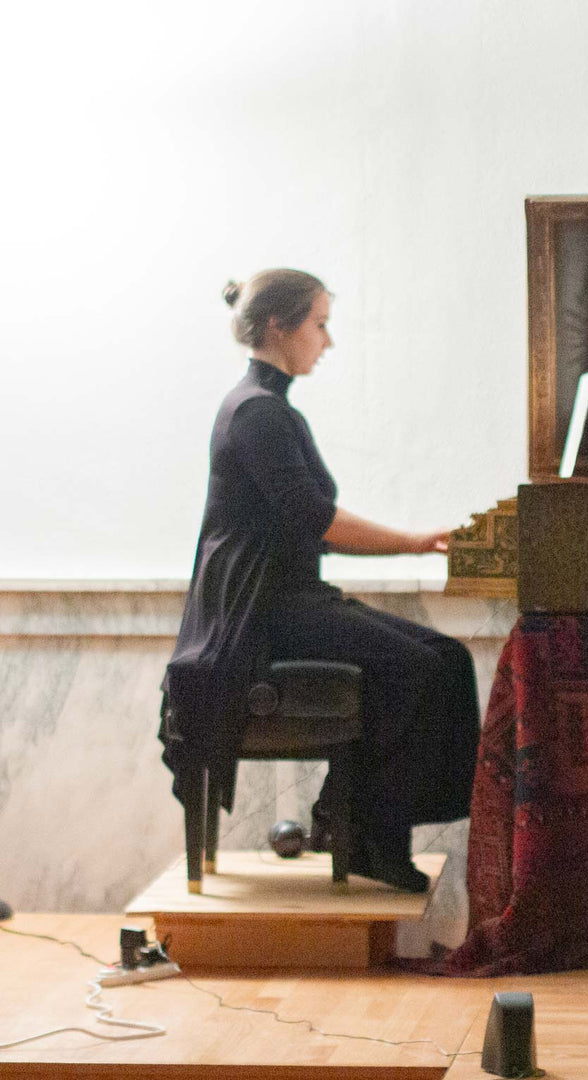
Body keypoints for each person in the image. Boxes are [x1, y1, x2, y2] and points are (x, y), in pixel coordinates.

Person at [160, 269, 479, 892]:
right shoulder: (257, 414)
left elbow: (310, 525)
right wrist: (415, 542)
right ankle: (360, 831)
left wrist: (414, 544)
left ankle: (352, 820)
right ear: (279, 326)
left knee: (444, 657)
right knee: (425, 665)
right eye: (320, 324)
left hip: (288, 603)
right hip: (260, 616)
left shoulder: (266, 407)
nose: (327, 341)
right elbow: (319, 521)